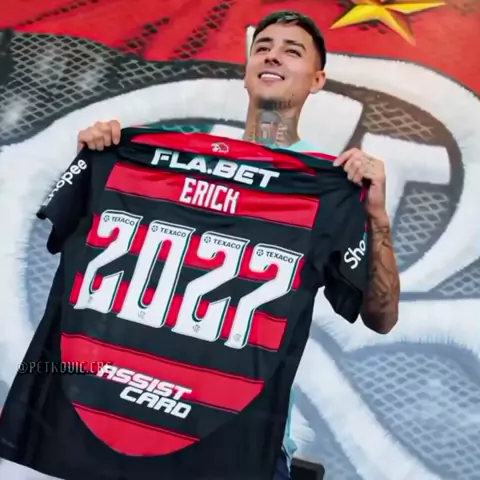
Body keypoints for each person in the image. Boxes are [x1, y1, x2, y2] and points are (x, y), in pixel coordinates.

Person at [76, 10, 400, 479]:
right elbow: (85, 238)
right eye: (262, 47)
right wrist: (96, 160)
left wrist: (377, 217)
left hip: (245, 448)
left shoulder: (327, 188)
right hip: (142, 427)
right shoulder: (173, 163)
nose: (273, 55)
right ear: (246, 72)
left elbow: (381, 318)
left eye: (293, 51)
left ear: (317, 80)